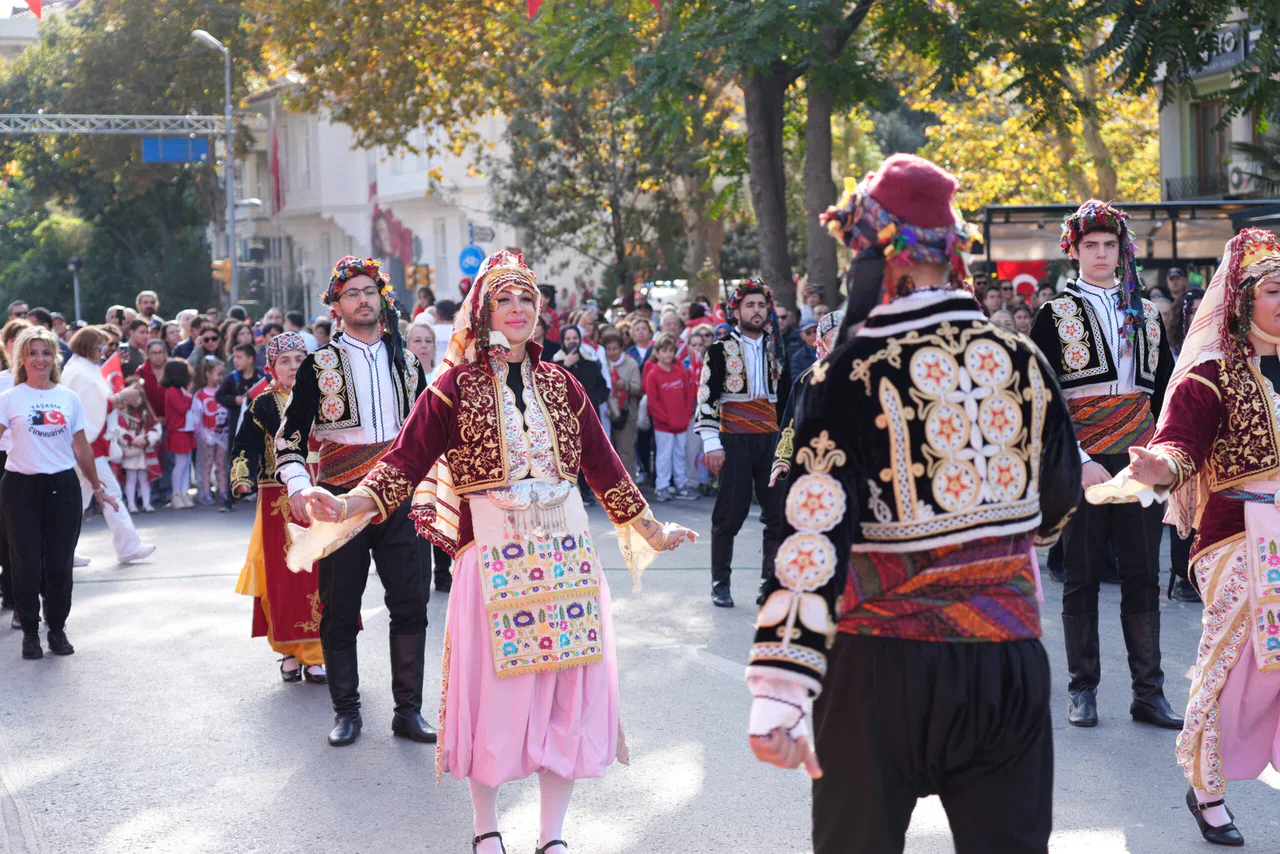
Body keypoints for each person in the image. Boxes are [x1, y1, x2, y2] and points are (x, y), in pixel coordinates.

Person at [296, 249, 696, 854]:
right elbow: (403, 462)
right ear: (483, 315)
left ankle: (553, 836)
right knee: (497, 700)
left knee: (567, 696)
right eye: (504, 300)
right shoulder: (453, 388)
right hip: (493, 561)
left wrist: (653, 531)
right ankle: (486, 829)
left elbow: (606, 467)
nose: (517, 309)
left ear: (539, 313)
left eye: (527, 300)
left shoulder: (563, 386)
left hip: (566, 559)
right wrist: (350, 503)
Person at [747, 153, 1080, 854]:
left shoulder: (848, 370)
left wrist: (780, 692)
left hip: (879, 667)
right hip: (1007, 662)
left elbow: (809, 530)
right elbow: (1054, 508)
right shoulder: (1024, 361)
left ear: (879, 257)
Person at [1093, 228, 1279, 848]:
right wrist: (1160, 468)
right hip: (1237, 536)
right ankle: (1208, 790)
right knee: (1228, 666)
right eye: (1276, 290)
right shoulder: (1210, 372)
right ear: (1243, 299)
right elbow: (1179, 444)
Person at [1028, 199, 1181, 730]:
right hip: (1084, 458)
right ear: (1074, 250)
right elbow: (1041, 395)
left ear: (1122, 251)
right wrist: (1080, 459)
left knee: (1143, 573)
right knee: (1082, 573)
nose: (1099, 253)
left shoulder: (1144, 313)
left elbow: (1165, 391)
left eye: (1108, 245)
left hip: (1141, 457)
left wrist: (1163, 455)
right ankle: (1082, 689)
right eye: (1090, 245)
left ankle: (1149, 693)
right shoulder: (1053, 313)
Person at [274, 255, 432, 748]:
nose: (362, 300)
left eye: (369, 291)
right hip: (339, 497)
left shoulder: (407, 360)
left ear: (382, 298)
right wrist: (301, 488)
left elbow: (427, 433)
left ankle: (408, 711)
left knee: (411, 603)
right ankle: (346, 711)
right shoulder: (317, 364)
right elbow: (290, 439)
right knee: (339, 606)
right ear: (337, 305)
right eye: (352, 294)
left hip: (400, 497)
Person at [1, 327, 120, 660]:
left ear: (55, 357)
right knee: (24, 562)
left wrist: (97, 487)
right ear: (21, 359)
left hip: (62, 487)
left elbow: (81, 445)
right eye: (33, 353)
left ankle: (56, 629)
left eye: (46, 353)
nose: (40, 359)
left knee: (59, 563)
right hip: (20, 487)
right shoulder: (10, 399)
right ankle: (29, 632)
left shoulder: (68, 398)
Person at [229, 332, 327, 685]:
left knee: (319, 573)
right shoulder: (263, 405)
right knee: (283, 575)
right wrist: (241, 478)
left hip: (322, 494)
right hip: (276, 502)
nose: (292, 366)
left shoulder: (327, 399)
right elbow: (244, 447)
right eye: (284, 361)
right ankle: (287, 651)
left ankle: (317, 654)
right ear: (271, 367)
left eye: (299, 359)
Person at [696, 280, 791, 608]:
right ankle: (720, 582)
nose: (757, 311)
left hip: (771, 439)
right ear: (736, 311)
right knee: (729, 514)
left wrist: (788, 443)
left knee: (777, 513)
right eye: (750, 305)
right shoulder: (719, 350)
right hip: (734, 438)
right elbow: (707, 397)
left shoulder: (777, 348)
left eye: (761, 306)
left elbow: (787, 401)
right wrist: (711, 441)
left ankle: (770, 583)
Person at [60, 325, 155, 564]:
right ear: (89, 346)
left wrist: (117, 399)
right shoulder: (81, 372)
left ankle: (61, 550)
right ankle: (128, 546)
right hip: (88, 445)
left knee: (79, 500)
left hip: (90, 444)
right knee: (110, 493)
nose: (103, 351)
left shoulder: (82, 368)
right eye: (100, 346)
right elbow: (92, 409)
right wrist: (122, 397)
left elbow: (97, 405)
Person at [643, 332, 697, 502]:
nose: (668, 354)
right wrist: (665, 418)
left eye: (671, 351)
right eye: (664, 351)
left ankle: (681, 486)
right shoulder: (653, 374)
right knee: (664, 457)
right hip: (663, 426)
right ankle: (662, 487)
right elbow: (653, 402)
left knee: (680, 455)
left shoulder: (680, 371)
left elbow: (688, 395)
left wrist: (687, 413)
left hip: (681, 423)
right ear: (657, 353)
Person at [117, 377, 162, 513]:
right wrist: (131, 440)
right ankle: (131, 504)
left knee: (144, 479)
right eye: (133, 398)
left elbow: (156, 429)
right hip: (131, 451)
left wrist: (147, 440)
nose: (136, 401)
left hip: (145, 451)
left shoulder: (147, 415)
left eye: (138, 398)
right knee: (131, 478)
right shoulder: (123, 415)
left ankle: (146, 503)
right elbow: (119, 430)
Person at [602, 330, 641, 478]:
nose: (612, 352)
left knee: (626, 451)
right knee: (607, 450)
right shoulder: (602, 362)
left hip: (626, 413)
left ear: (621, 348)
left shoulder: (630, 364)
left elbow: (638, 388)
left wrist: (624, 385)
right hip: (607, 413)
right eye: (609, 349)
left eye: (615, 349)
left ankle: (628, 484)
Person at [192, 357, 230, 506]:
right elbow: (196, 415)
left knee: (221, 464)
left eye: (222, 374)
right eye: (218, 374)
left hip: (222, 435)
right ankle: (206, 492)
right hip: (208, 435)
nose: (220, 377)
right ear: (208, 374)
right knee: (207, 464)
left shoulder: (224, 392)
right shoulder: (201, 394)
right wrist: (200, 433)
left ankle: (223, 491)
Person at [162, 358, 196, 509]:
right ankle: (176, 494)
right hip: (178, 431)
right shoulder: (172, 391)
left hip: (187, 430)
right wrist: (189, 395)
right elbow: (182, 408)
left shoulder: (181, 390)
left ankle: (184, 493)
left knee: (187, 464)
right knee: (180, 464)